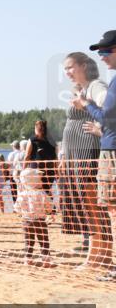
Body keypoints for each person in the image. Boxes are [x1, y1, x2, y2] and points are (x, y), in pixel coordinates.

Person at [73, 30, 116, 281]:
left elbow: (108, 119)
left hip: (112, 153)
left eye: (106, 51)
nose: (101, 56)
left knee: (112, 210)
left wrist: (85, 105)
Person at [60, 51, 108, 267]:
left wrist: (100, 129)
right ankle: (94, 251)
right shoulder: (78, 90)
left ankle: (99, 253)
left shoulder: (95, 86)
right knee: (83, 201)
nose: (67, 72)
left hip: (88, 150)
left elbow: (110, 111)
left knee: (92, 201)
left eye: (70, 67)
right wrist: (63, 153)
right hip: (73, 152)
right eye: (65, 69)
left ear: (83, 66)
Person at [15, 168, 55, 268]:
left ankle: (28, 260)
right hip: (40, 221)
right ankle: (46, 260)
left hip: (26, 221)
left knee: (29, 241)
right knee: (44, 241)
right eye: (39, 179)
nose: (41, 181)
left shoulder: (22, 194)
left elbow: (16, 207)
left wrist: (21, 213)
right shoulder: (42, 194)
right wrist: (49, 212)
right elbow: (49, 205)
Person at [24, 120, 58, 193]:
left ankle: (49, 203)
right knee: (46, 192)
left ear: (36, 128)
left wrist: (23, 170)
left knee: (36, 192)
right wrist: (56, 171)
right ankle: (50, 203)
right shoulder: (52, 140)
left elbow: (27, 156)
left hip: (37, 171)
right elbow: (55, 158)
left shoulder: (32, 140)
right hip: (50, 171)